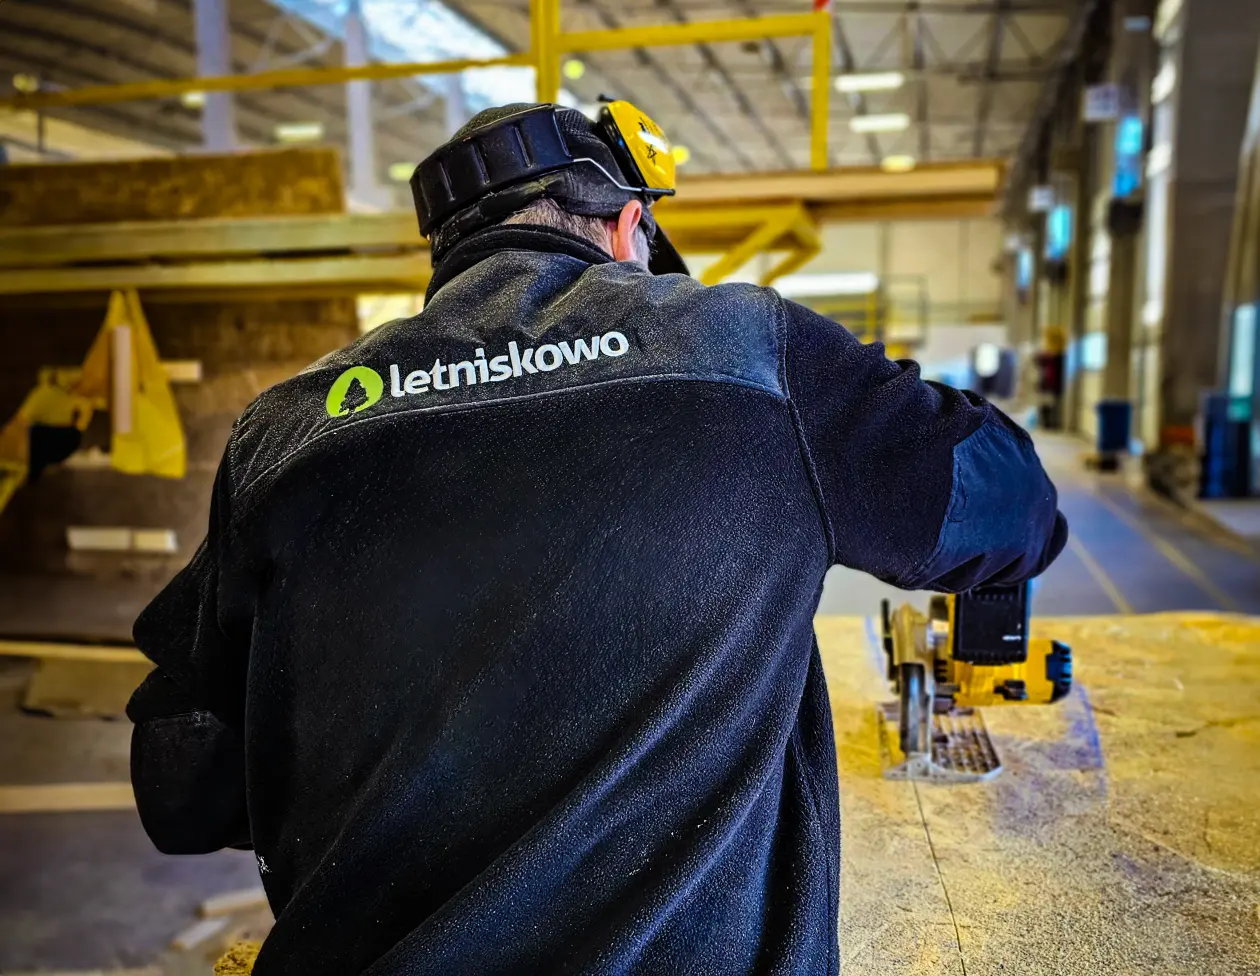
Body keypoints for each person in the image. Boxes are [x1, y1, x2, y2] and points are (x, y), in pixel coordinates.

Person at [127, 101, 1067, 976]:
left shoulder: (288, 428)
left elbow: (181, 785)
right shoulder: (750, 353)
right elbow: (1011, 508)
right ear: (627, 229)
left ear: (445, 260)